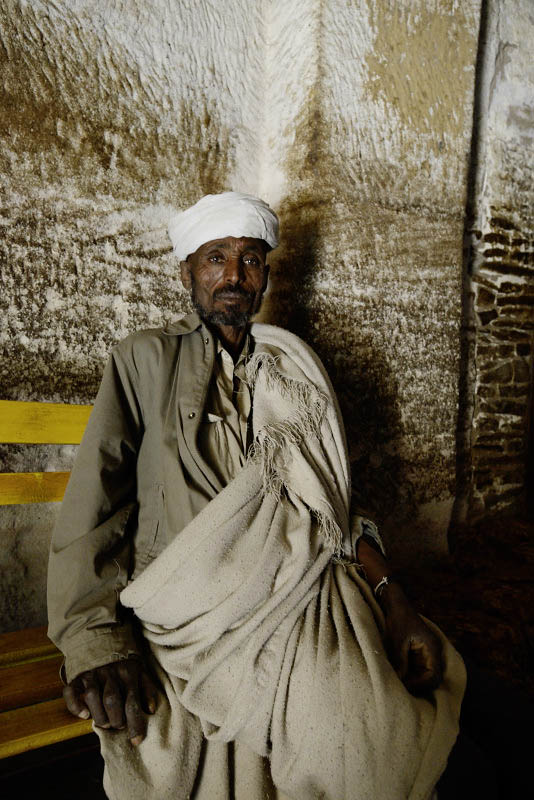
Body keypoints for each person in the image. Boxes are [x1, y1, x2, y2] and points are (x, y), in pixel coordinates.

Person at [47, 192, 466, 800]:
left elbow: (332, 509)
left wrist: (393, 596)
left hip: (302, 590)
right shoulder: (145, 359)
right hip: (192, 609)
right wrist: (96, 641)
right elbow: (96, 508)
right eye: (215, 258)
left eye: (250, 259)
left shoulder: (295, 371)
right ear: (187, 271)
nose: (233, 275)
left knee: (366, 732)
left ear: (266, 273)